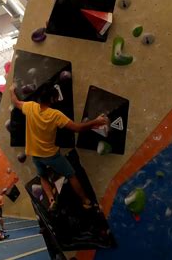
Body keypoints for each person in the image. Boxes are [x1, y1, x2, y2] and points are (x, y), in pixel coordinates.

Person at [9, 81, 108, 210]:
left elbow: (15, 102)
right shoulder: (55, 115)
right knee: (71, 174)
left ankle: (51, 200)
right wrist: (97, 121)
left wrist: (11, 90)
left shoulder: (30, 107)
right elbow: (77, 128)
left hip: (35, 154)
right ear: (52, 99)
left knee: (42, 176)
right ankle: (86, 201)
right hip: (50, 155)